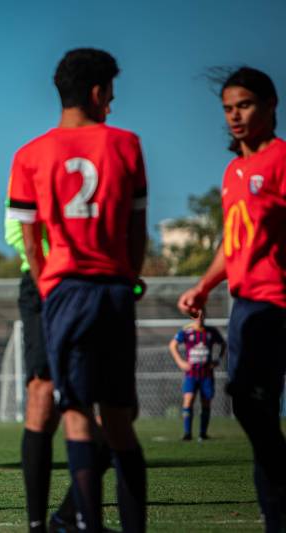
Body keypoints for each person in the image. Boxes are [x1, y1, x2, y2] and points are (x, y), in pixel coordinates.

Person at [10, 48, 148, 532]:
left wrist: (50, 284)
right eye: (111, 91)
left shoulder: (28, 155)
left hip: (63, 291)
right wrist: (126, 276)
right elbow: (138, 229)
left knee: (74, 412)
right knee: (120, 417)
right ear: (97, 91)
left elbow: (29, 237)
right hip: (113, 288)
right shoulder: (127, 144)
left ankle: (81, 521)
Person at [177, 66, 285, 532]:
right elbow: (232, 243)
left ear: (270, 106)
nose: (234, 115)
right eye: (227, 108)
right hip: (243, 305)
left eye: (244, 105)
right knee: (250, 405)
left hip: (274, 302)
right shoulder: (233, 170)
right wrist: (203, 285)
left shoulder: (280, 161)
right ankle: (275, 514)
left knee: (251, 399)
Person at [4, 219, 113, 532]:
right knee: (43, 397)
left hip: (95, 283)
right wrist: (50, 271)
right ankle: (37, 525)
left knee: (116, 414)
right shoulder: (29, 168)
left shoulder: (109, 167)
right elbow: (16, 229)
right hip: (45, 282)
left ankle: (68, 515)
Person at [168, 310, 226, 441]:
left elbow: (223, 344)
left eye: (202, 314)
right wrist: (180, 362)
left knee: (206, 402)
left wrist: (218, 360)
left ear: (205, 315)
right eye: (196, 315)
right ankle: (187, 433)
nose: (199, 317)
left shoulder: (211, 332)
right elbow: (172, 345)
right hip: (191, 374)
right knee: (188, 401)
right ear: (191, 317)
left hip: (206, 374)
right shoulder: (186, 332)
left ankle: (202, 433)